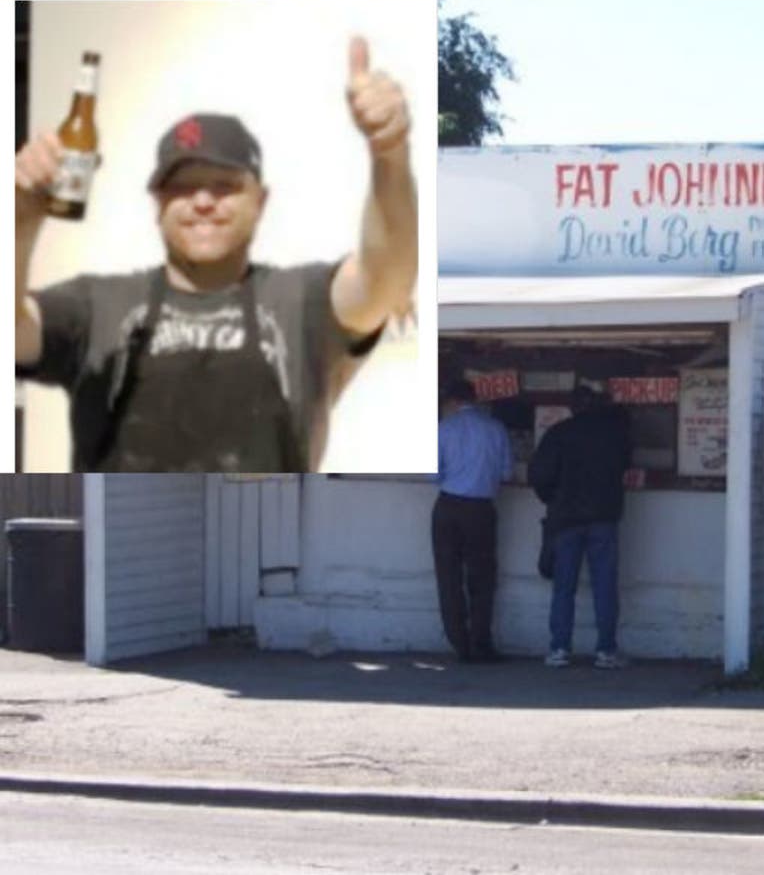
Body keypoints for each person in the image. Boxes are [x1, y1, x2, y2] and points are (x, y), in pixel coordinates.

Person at [14, 36, 417, 472]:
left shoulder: (302, 300)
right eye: (182, 187)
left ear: (260, 201)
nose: (203, 201)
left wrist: (389, 154)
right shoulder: (94, 305)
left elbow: (386, 278)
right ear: (157, 202)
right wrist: (20, 218)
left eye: (224, 186)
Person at [529, 385, 632, 669]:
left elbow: (539, 475)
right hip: (604, 516)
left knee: (564, 586)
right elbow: (626, 464)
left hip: (566, 518)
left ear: (572, 407)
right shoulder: (614, 434)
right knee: (605, 585)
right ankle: (606, 651)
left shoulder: (559, 433)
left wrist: (553, 499)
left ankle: (559, 648)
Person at [433, 378, 513, 662]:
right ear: (474, 399)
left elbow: (433, 474)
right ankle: (482, 644)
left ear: (452, 401)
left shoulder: (443, 429)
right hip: (481, 509)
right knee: (482, 578)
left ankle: (460, 644)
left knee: (448, 577)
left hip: (448, 506)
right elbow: (506, 473)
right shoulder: (496, 429)